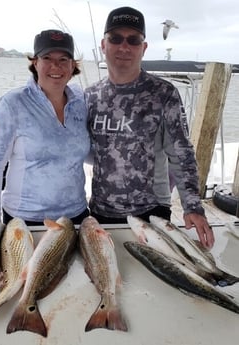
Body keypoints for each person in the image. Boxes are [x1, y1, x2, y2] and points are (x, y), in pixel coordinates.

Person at [84, 6, 215, 248]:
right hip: (100, 212)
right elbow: (84, 150)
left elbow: (181, 153)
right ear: (104, 45)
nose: (124, 47)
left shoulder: (164, 94)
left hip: (151, 213)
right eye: (116, 39)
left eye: (133, 40)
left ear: (143, 48)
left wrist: (193, 206)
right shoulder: (90, 96)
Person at [0, 29, 90, 226]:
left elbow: (88, 153)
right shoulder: (13, 103)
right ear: (35, 62)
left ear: (73, 65)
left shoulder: (82, 101)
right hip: (25, 219)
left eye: (64, 59)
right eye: (47, 57)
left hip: (76, 216)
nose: (55, 66)